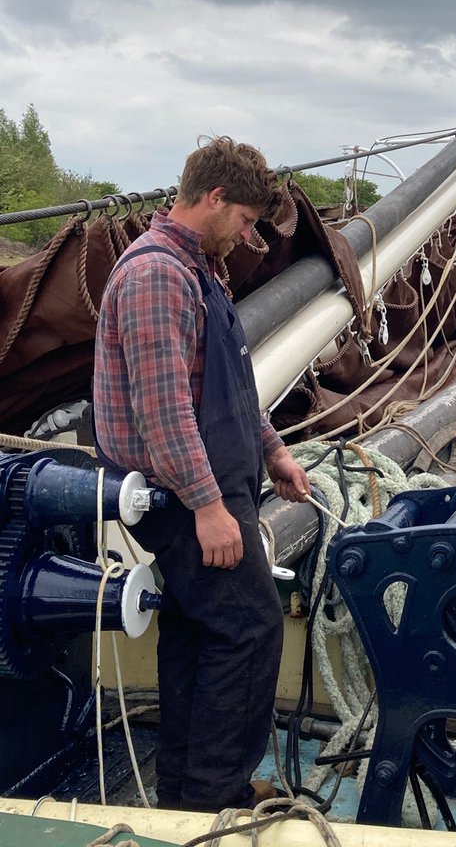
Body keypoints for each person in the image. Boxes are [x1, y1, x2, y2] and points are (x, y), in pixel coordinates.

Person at [93, 136, 311, 813]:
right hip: (187, 498)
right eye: (245, 220)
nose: (247, 236)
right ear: (214, 199)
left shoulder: (198, 272)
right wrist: (208, 507)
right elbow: (163, 413)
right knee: (250, 627)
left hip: (212, 487)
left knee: (197, 629)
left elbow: (229, 390)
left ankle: (184, 789)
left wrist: (273, 452)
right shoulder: (158, 276)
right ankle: (220, 792)